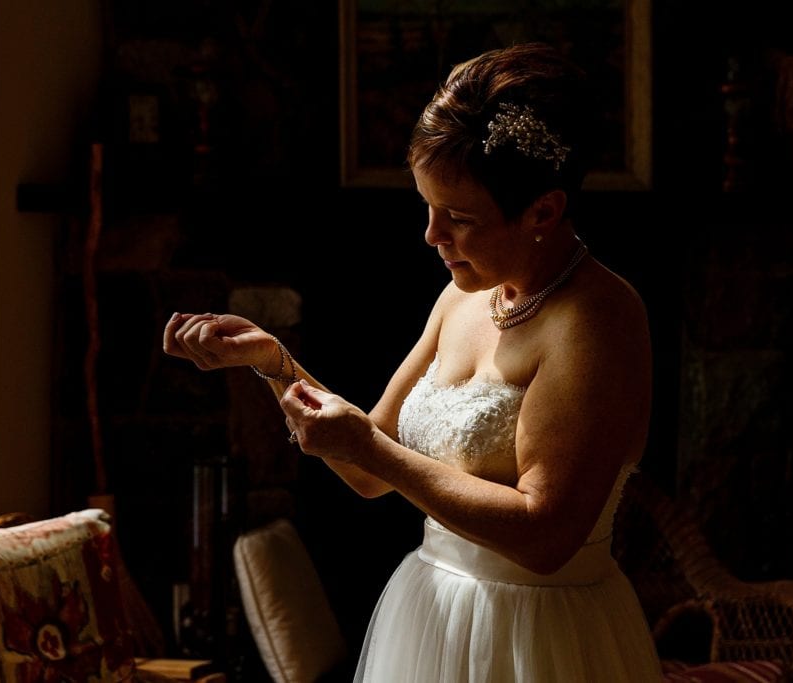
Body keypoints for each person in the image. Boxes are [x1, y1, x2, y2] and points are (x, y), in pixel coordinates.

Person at [163, 43, 661, 682]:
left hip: (540, 638)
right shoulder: (464, 294)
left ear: (544, 210)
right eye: (426, 206)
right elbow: (369, 470)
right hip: (430, 613)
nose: (431, 235)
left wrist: (371, 451)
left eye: (458, 218)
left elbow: (545, 537)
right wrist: (273, 363)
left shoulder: (599, 321)